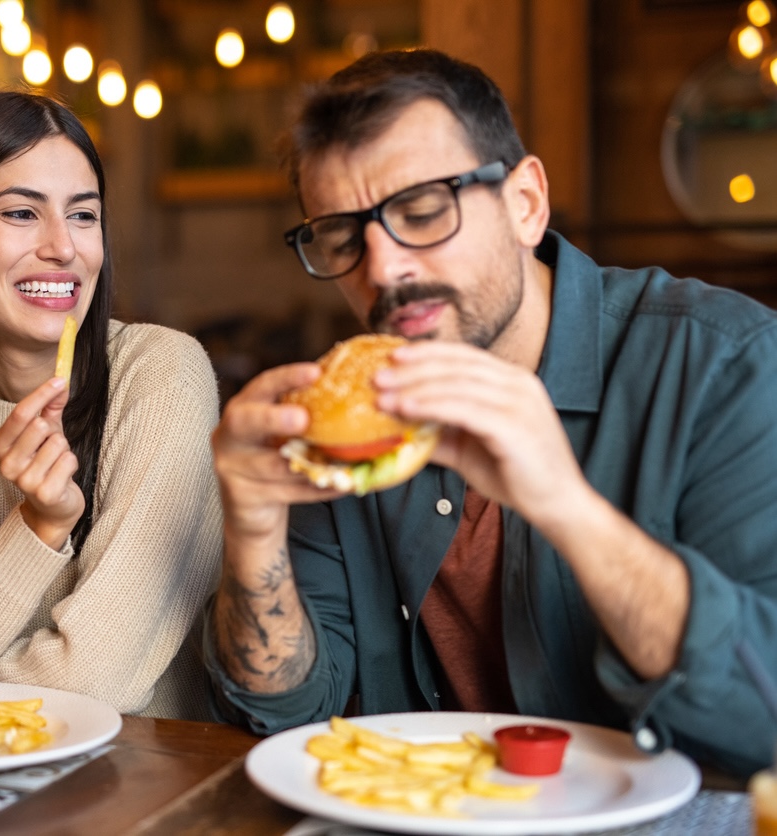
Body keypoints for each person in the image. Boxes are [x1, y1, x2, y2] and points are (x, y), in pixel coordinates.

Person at [205, 48, 777, 777]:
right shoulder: (343, 415)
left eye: (420, 212)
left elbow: (764, 718)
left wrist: (566, 506)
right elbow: (283, 711)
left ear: (524, 204)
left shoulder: (724, 365)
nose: (382, 270)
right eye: (345, 239)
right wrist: (252, 529)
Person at [0, 90, 222, 720]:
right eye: (22, 213)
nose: (63, 247)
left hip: (144, 783)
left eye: (84, 216)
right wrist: (37, 528)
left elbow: (94, 681)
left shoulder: (160, 376)